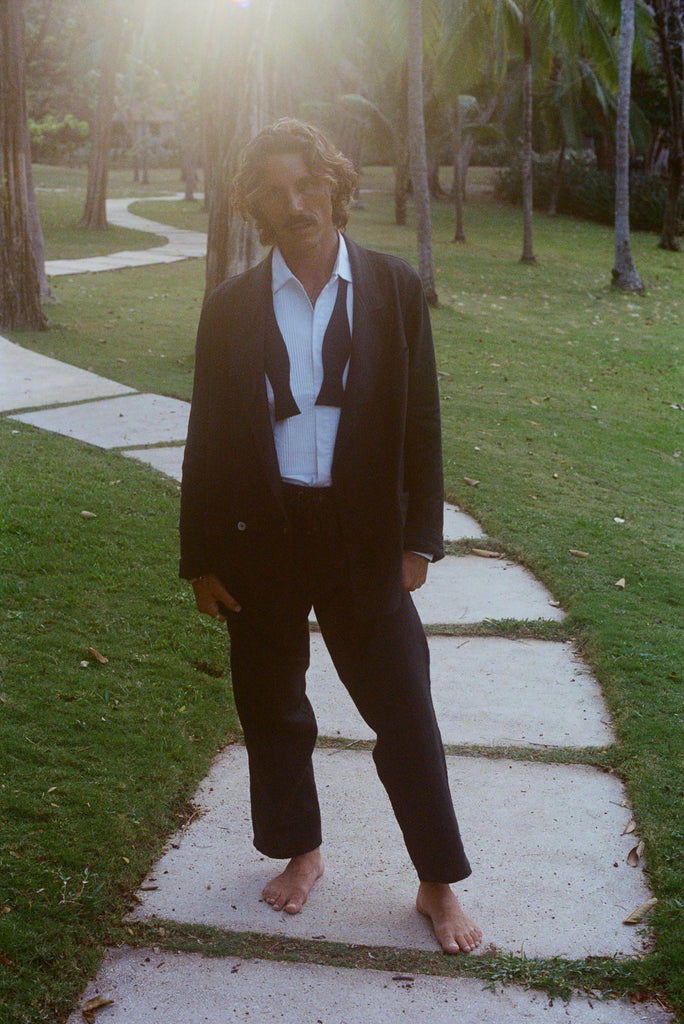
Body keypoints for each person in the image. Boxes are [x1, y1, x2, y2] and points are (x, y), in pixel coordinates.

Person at [179, 118, 482, 955]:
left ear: (338, 189)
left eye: (308, 184)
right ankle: (300, 852)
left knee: (405, 709)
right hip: (261, 535)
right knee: (273, 707)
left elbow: (421, 420)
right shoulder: (231, 308)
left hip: (363, 536)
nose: (296, 203)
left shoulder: (391, 288)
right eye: (274, 191)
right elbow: (206, 437)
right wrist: (200, 558)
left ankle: (436, 881)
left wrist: (419, 536)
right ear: (256, 207)